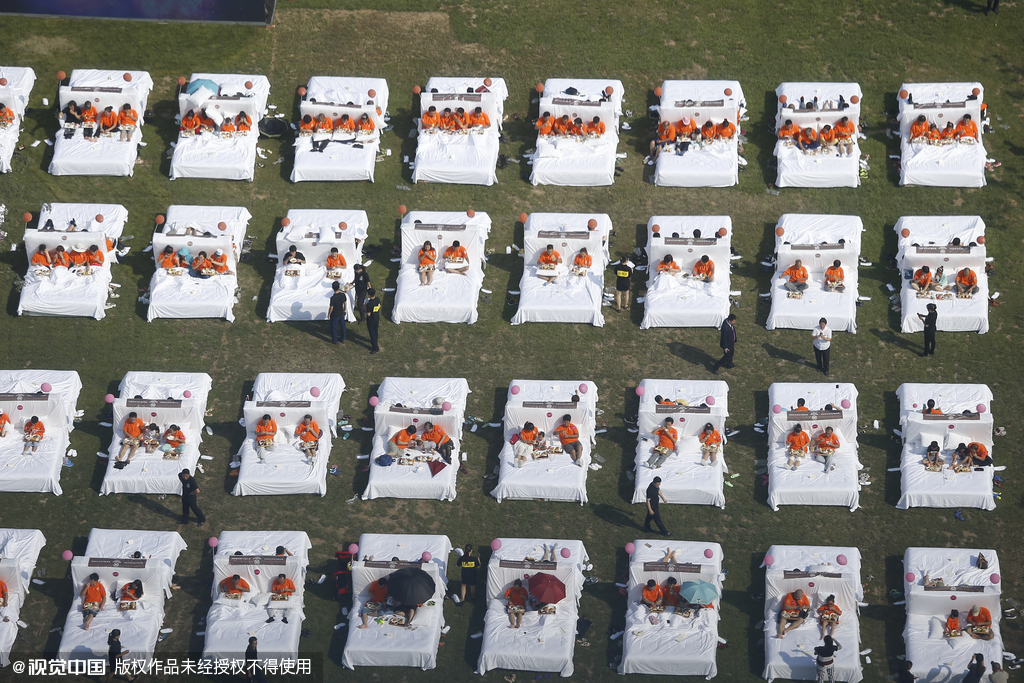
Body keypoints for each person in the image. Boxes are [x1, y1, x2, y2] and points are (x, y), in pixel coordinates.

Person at [328, 281, 347, 346]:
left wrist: (329, 314)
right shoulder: (343, 295)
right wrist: (344, 310)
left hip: (335, 314)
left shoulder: (333, 298)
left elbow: (331, 308)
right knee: (343, 326)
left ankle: (335, 340)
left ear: (333, 288)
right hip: (341, 312)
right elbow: (345, 303)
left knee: (334, 327)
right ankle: (343, 338)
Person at [364, 288, 381, 354]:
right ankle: (375, 340)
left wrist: (365, 306)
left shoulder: (369, 304)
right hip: (376, 317)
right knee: (375, 330)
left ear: (369, 295)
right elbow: (380, 306)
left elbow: (368, 314)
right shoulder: (377, 299)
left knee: (372, 333)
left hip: (371, 319)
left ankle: (375, 347)